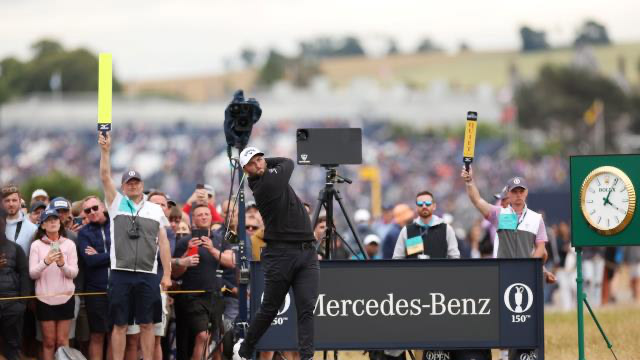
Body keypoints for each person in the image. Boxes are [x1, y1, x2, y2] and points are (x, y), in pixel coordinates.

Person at [233, 147, 319, 360]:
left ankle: (307, 357)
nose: (259, 164)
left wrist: (261, 161)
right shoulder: (265, 185)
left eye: (261, 159)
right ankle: (245, 350)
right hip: (281, 254)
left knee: (307, 309)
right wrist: (266, 162)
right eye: (253, 163)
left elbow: (283, 163)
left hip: (306, 252)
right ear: (246, 170)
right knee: (269, 309)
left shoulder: (267, 175)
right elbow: (288, 162)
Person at [98, 132, 172, 360]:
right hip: (120, 273)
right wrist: (106, 151)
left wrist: (167, 273)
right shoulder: (116, 203)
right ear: (123, 186)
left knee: (148, 324)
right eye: (128, 183)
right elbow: (104, 176)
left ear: (142, 185)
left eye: (136, 182)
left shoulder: (155, 209)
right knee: (119, 325)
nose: (132, 186)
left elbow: (164, 241)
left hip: (148, 274)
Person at [462, 168, 546, 360]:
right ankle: (504, 355)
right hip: (504, 274)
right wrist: (469, 182)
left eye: (521, 191)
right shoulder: (501, 215)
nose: (517, 196)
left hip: (526, 276)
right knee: (504, 318)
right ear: (507, 193)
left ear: (526, 193)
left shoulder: (535, 219)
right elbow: (477, 201)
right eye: (514, 192)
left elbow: (541, 247)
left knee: (524, 317)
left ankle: (524, 354)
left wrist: (531, 266)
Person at [172, 204, 234, 360]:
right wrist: (186, 255)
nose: (204, 217)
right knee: (202, 336)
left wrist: (212, 249)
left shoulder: (221, 239)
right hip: (193, 296)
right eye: (200, 215)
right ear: (193, 219)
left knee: (214, 338)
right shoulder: (184, 241)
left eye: (207, 214)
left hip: (215, 296)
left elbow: (231, 262)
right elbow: (175, 273)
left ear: (212, 217)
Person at [29, 209, 78, 360]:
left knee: (63, 342)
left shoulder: (69, 244)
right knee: (49, 342)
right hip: (45, 299)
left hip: (66, 298)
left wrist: (62, 264)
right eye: (48, 220)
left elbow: (74, 273)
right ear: (42, 225)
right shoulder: (36, 245)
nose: (52, 222)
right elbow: (32, 274)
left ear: (60, 223)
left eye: (55, 219)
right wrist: (46, 262)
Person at [78, 196, 112, 360]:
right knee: (97, 335)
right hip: (96, 291)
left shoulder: (116, 225)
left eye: (95, 208)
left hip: (119, 287)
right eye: (87, 210)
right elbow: (90, 260)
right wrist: (114, 255)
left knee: (116, 334)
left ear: (103, 206)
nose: (92, 212)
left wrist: (102, 256)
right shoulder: (84, 233)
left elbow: (126, 254)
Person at [0, 206, 30, 360]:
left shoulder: (16, 249)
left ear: (4, 223)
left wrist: (22, 304)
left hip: (13, 306)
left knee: (13, 348)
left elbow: (25, 275)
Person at [393, 191, 460, 260]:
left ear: (434, 206)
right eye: (420, 204)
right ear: (416, 207)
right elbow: (397, 258)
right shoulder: (406, 230)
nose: (424, 206)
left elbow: (454, 257)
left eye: (428, 203)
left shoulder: (446, 229)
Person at [2, 184, 38, 257]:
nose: (11, 204)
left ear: (20, 202)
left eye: (14, 200)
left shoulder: (32, 229)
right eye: (7, 201)